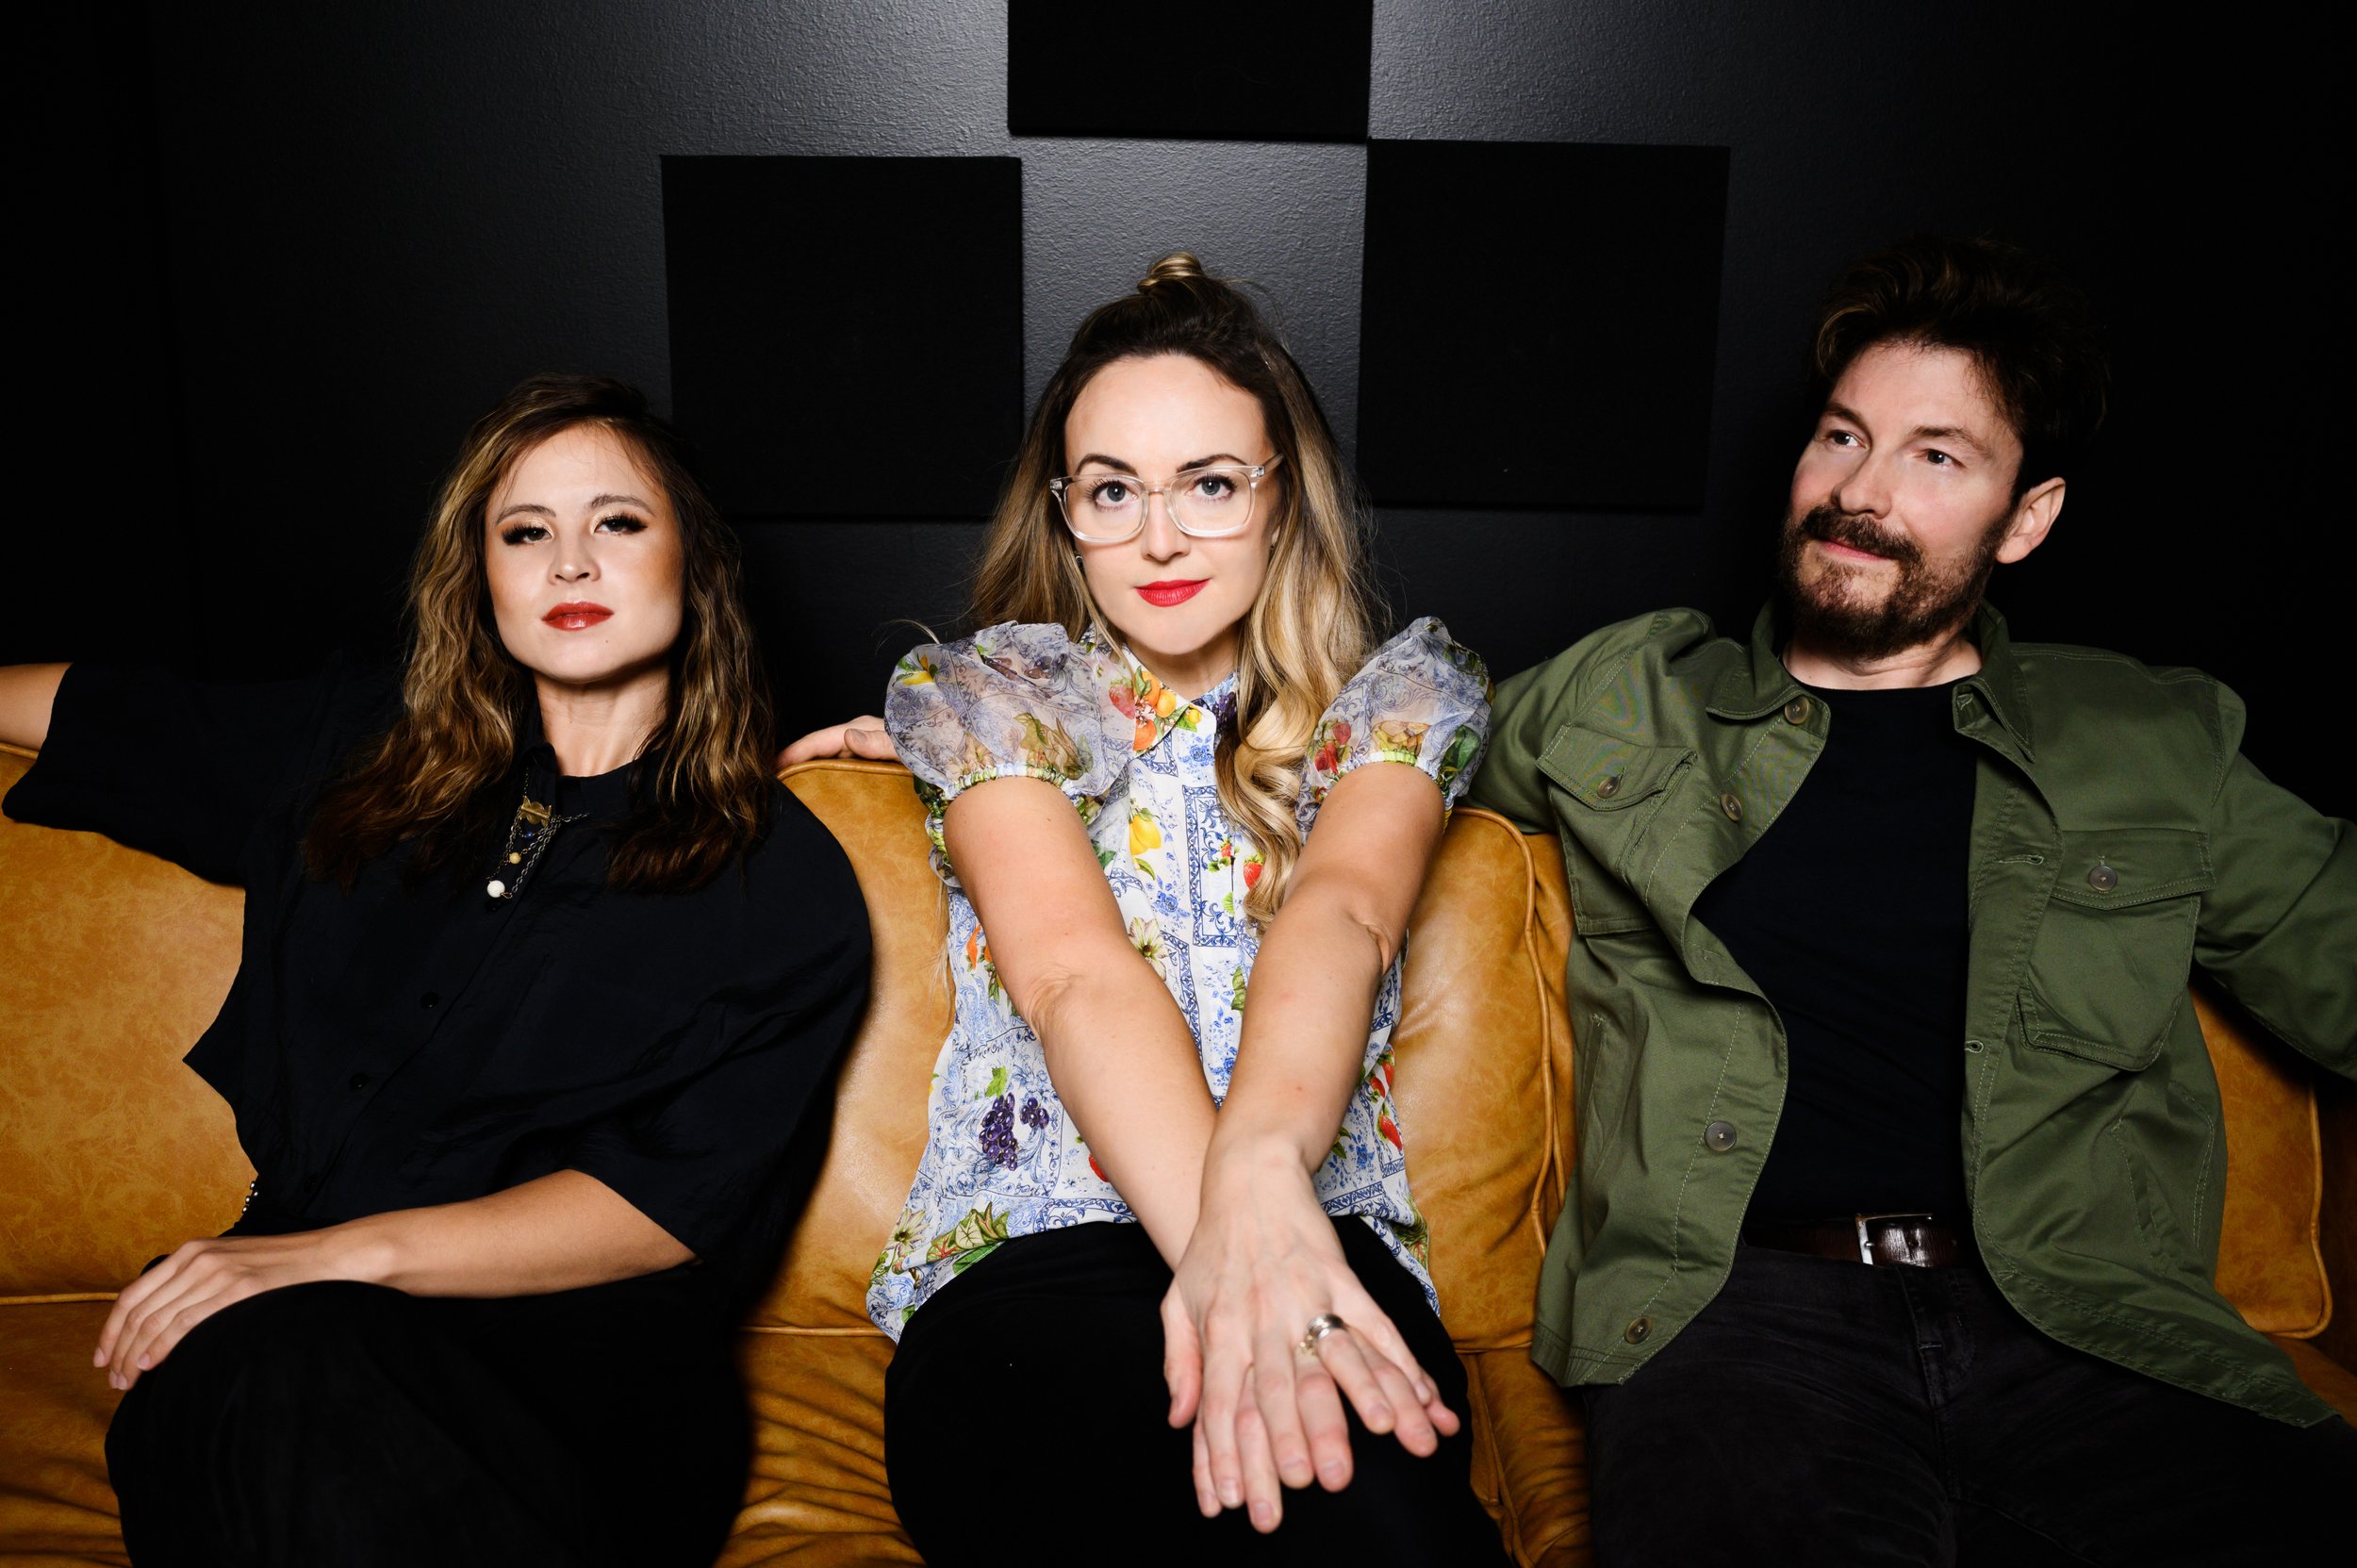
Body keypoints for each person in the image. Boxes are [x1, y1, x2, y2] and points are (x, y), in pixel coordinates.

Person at [1472, 236, 2357, 1562]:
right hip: (1737, 1320)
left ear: (2028, 515)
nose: (1858, 492)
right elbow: (1362, 782)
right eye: (1841, 436)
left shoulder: (2152, 738)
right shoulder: (1626, 693)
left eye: (1935, 456)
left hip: (2094, 1325)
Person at [0, 373, 871, 1568]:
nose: (570, 562)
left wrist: (327, 1255)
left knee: (276, 1359)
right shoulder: (356, 753)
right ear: (484, 579)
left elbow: (665, 1208)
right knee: (239, 1369)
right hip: (274, 1342)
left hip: (584, 1374)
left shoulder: (782, 878)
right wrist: (292, 1271)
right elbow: (99, 716)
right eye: (526, 532)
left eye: (617, 522)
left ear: (696, 563)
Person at [788, 253, 1503, 1562]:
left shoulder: (1393, 703)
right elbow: (1071, 971)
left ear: (1284, 502)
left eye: (1211, 485)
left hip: (1317, 1233)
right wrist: (1233, 1267)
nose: (1159, 537)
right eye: (1113, 491)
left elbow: (1342, 911)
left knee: (1385, 1520)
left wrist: (1265, 1204)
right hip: (1035, 1273)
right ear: (1064, 514)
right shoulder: (992, 694)